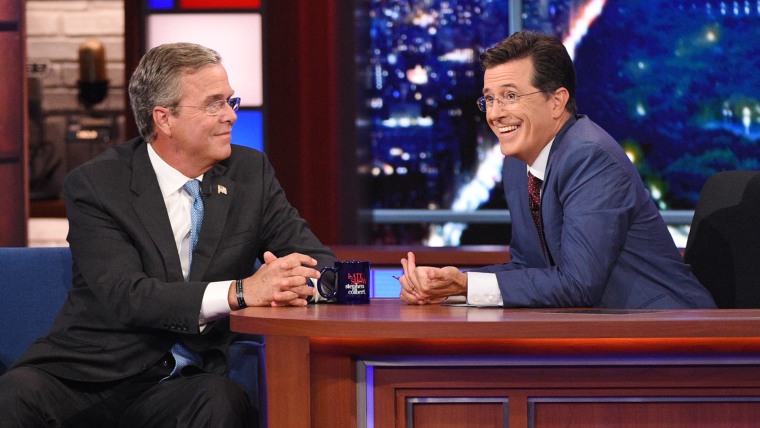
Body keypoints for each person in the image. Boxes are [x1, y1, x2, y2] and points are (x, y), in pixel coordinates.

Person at [0, 42, 335, 427]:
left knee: (220, 400)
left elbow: (315, 260)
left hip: (186, 381)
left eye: (231, 101)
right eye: (214, 104)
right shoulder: (98, 185)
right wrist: (240, 292)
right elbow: (127, 294)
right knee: (14, 396)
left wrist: (357, 286)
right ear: (164, 118)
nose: (230, 116)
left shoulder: (250, 174)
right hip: (90, 374)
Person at [398, 31, 716, 310]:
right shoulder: (516, 163)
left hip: (673, 332)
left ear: (556, 101)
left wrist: (465, 286)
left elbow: (578, 282)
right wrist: (450, 284)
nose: (495, 114)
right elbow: (529, 266)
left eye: (510, 96)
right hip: (604, 334)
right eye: (489, 99)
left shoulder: (589, 157)